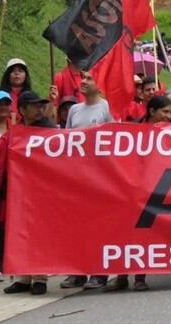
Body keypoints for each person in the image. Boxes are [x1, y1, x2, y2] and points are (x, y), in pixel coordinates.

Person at [104, 96, 171, 292]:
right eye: (165, 112)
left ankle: (140, 277)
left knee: (144, 232)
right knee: (124, 231)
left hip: (156, 188)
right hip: (130, 188)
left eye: (170, 113)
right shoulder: (131, 130)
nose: (168, 116)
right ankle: (121, 275)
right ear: (152, 111)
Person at [59, 72, 114, 290]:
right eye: (83, 78)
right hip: (77, 176)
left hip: (100, 176)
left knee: (98, 224)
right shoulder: (74, 110)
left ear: (99, 83)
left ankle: (99, 272)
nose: (84, 82)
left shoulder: (107, 108)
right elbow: (67, 139)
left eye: (89, 78)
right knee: (77, 224)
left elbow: (116, 139)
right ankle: (77, 271)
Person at [1, 91, 56, 295]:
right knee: (20, 232)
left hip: (43, 191)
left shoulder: (49, 129)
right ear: (22, 110)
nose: (40, 109)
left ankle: (39, 278)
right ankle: (23, 277)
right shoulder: (17, 132)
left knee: (39, 232)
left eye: (41, 105)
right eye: (34, 106)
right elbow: (3, 150)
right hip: (21, 190)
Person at [0, 91, 11, 283]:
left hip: (6, 181)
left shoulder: (14, 128)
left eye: (7, 104)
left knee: (1, 223)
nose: (3, 107)